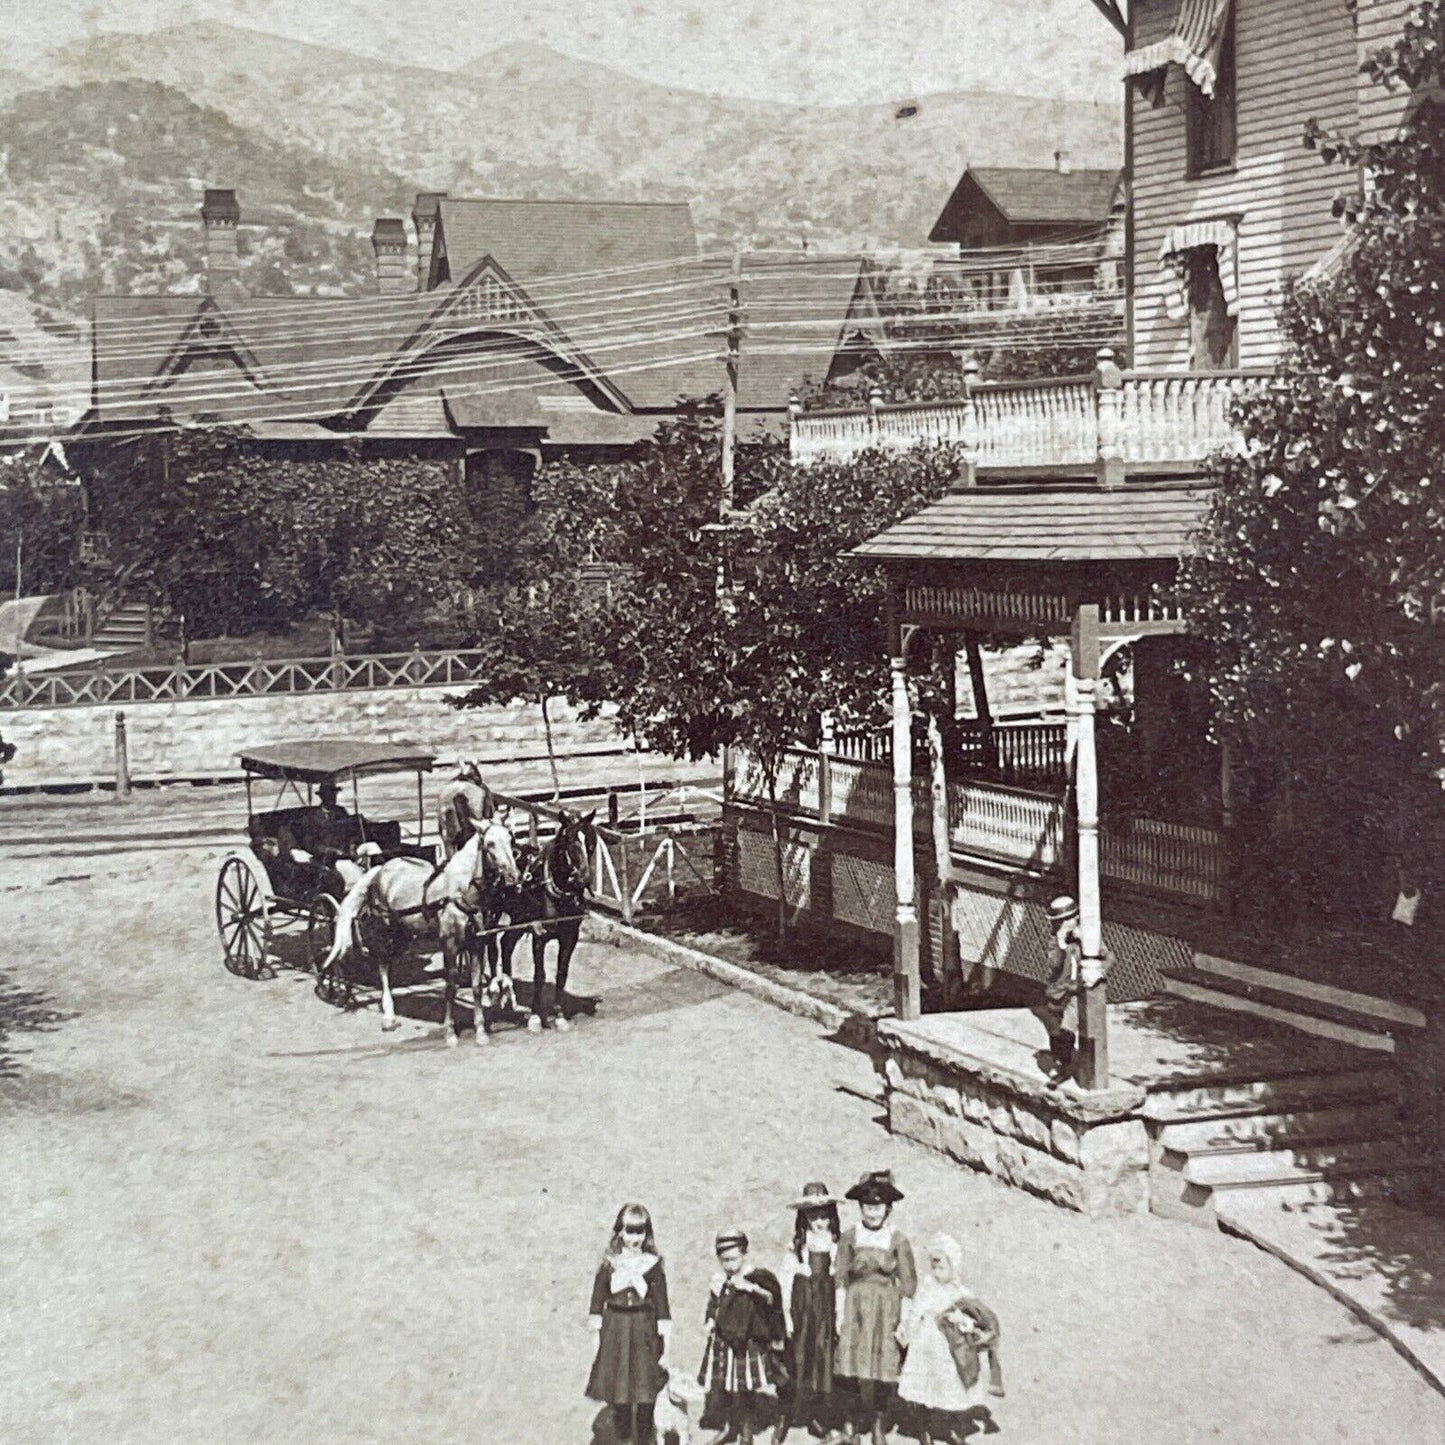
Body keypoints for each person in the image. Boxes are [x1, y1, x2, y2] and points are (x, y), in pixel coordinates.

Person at [834, 1170, 916, 1445]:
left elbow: (907, 1283)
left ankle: (878, 1424)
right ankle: (850, 1424)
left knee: (884, 1367)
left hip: (885, 1309)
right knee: (850, 1364)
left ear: (888, 1208)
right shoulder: (849, 1237)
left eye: (878, 1207)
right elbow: (840, 1278)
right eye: (867, 1207)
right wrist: (838, 1313)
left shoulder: (897, 1239)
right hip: (854, 1307)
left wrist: (904, 1319)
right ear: (860, 1207)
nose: (872, 1213)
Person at [895, 1234, 1002, 1445]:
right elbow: (915, 1311)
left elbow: (974, 1317)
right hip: (925, 1345)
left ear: (953, 1264)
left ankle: (952, 1428)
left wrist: (963, 1321)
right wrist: (908, 1329)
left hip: (949, 1348)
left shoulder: (961, 1292)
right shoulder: (927, 1287)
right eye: (934, 1265)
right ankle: (924, 1431)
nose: (937, 1269)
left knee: (950, 1385)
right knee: (924, 1386)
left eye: (942, 1264)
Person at [587, 1202, 673, 1445]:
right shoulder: (609, 1264)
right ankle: (625, 1438)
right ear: (619, 1232)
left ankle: (646, 1438)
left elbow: (663, 1308)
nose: (634, 1238)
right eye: (629, 1231)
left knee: (646, 1393)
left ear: (647, 1233)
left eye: (640, 1232)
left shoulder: (653, 1265)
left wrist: (666, 1348)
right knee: (620, 1393)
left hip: (644, 1333)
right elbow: (596, 1305)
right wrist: (597, 1342)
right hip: (616, 1332)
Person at [699, 1227, 786, 1445]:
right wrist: (709, 1320)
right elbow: (714, 1304)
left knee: (745, 1388)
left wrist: (749, 1288)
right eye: (724, 1260)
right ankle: (730, 1427)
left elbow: (771, 1300)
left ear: (744, 1253)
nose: (729, 1264)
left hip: (747, 1344)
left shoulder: (756, 1277)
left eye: (733, 1259)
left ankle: (746, 1433)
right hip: (724, 1342)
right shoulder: (720, 1281)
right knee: (726, 1386)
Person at [773, 1183, 842, 1445]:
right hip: (803, 1311)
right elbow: (786, 1281)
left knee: (824, 1358)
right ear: (803, 1218)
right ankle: (787, 1414)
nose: (819, 1222)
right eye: (813, 1216)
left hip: (826, 1311)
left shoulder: (836, 1245)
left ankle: (822, 1417)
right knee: (798, 1358)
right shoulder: (798, 1247)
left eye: (824, 1216)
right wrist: (788, 1318)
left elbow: (841, 1280)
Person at [1031, 895, 1111, 1086]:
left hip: (1077, 993)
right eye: (1061, 922)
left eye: (1070, 919)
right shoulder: (1055, 942)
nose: (1066, 924)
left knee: (1067, 1032)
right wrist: (1061, 941)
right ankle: (1065, 1064)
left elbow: (1108, 957)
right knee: (1057, 1037)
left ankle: (1069, 1071)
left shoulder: (1088, 939)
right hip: (1058, 994)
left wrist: (1098, 971)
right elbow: (1055, 964)